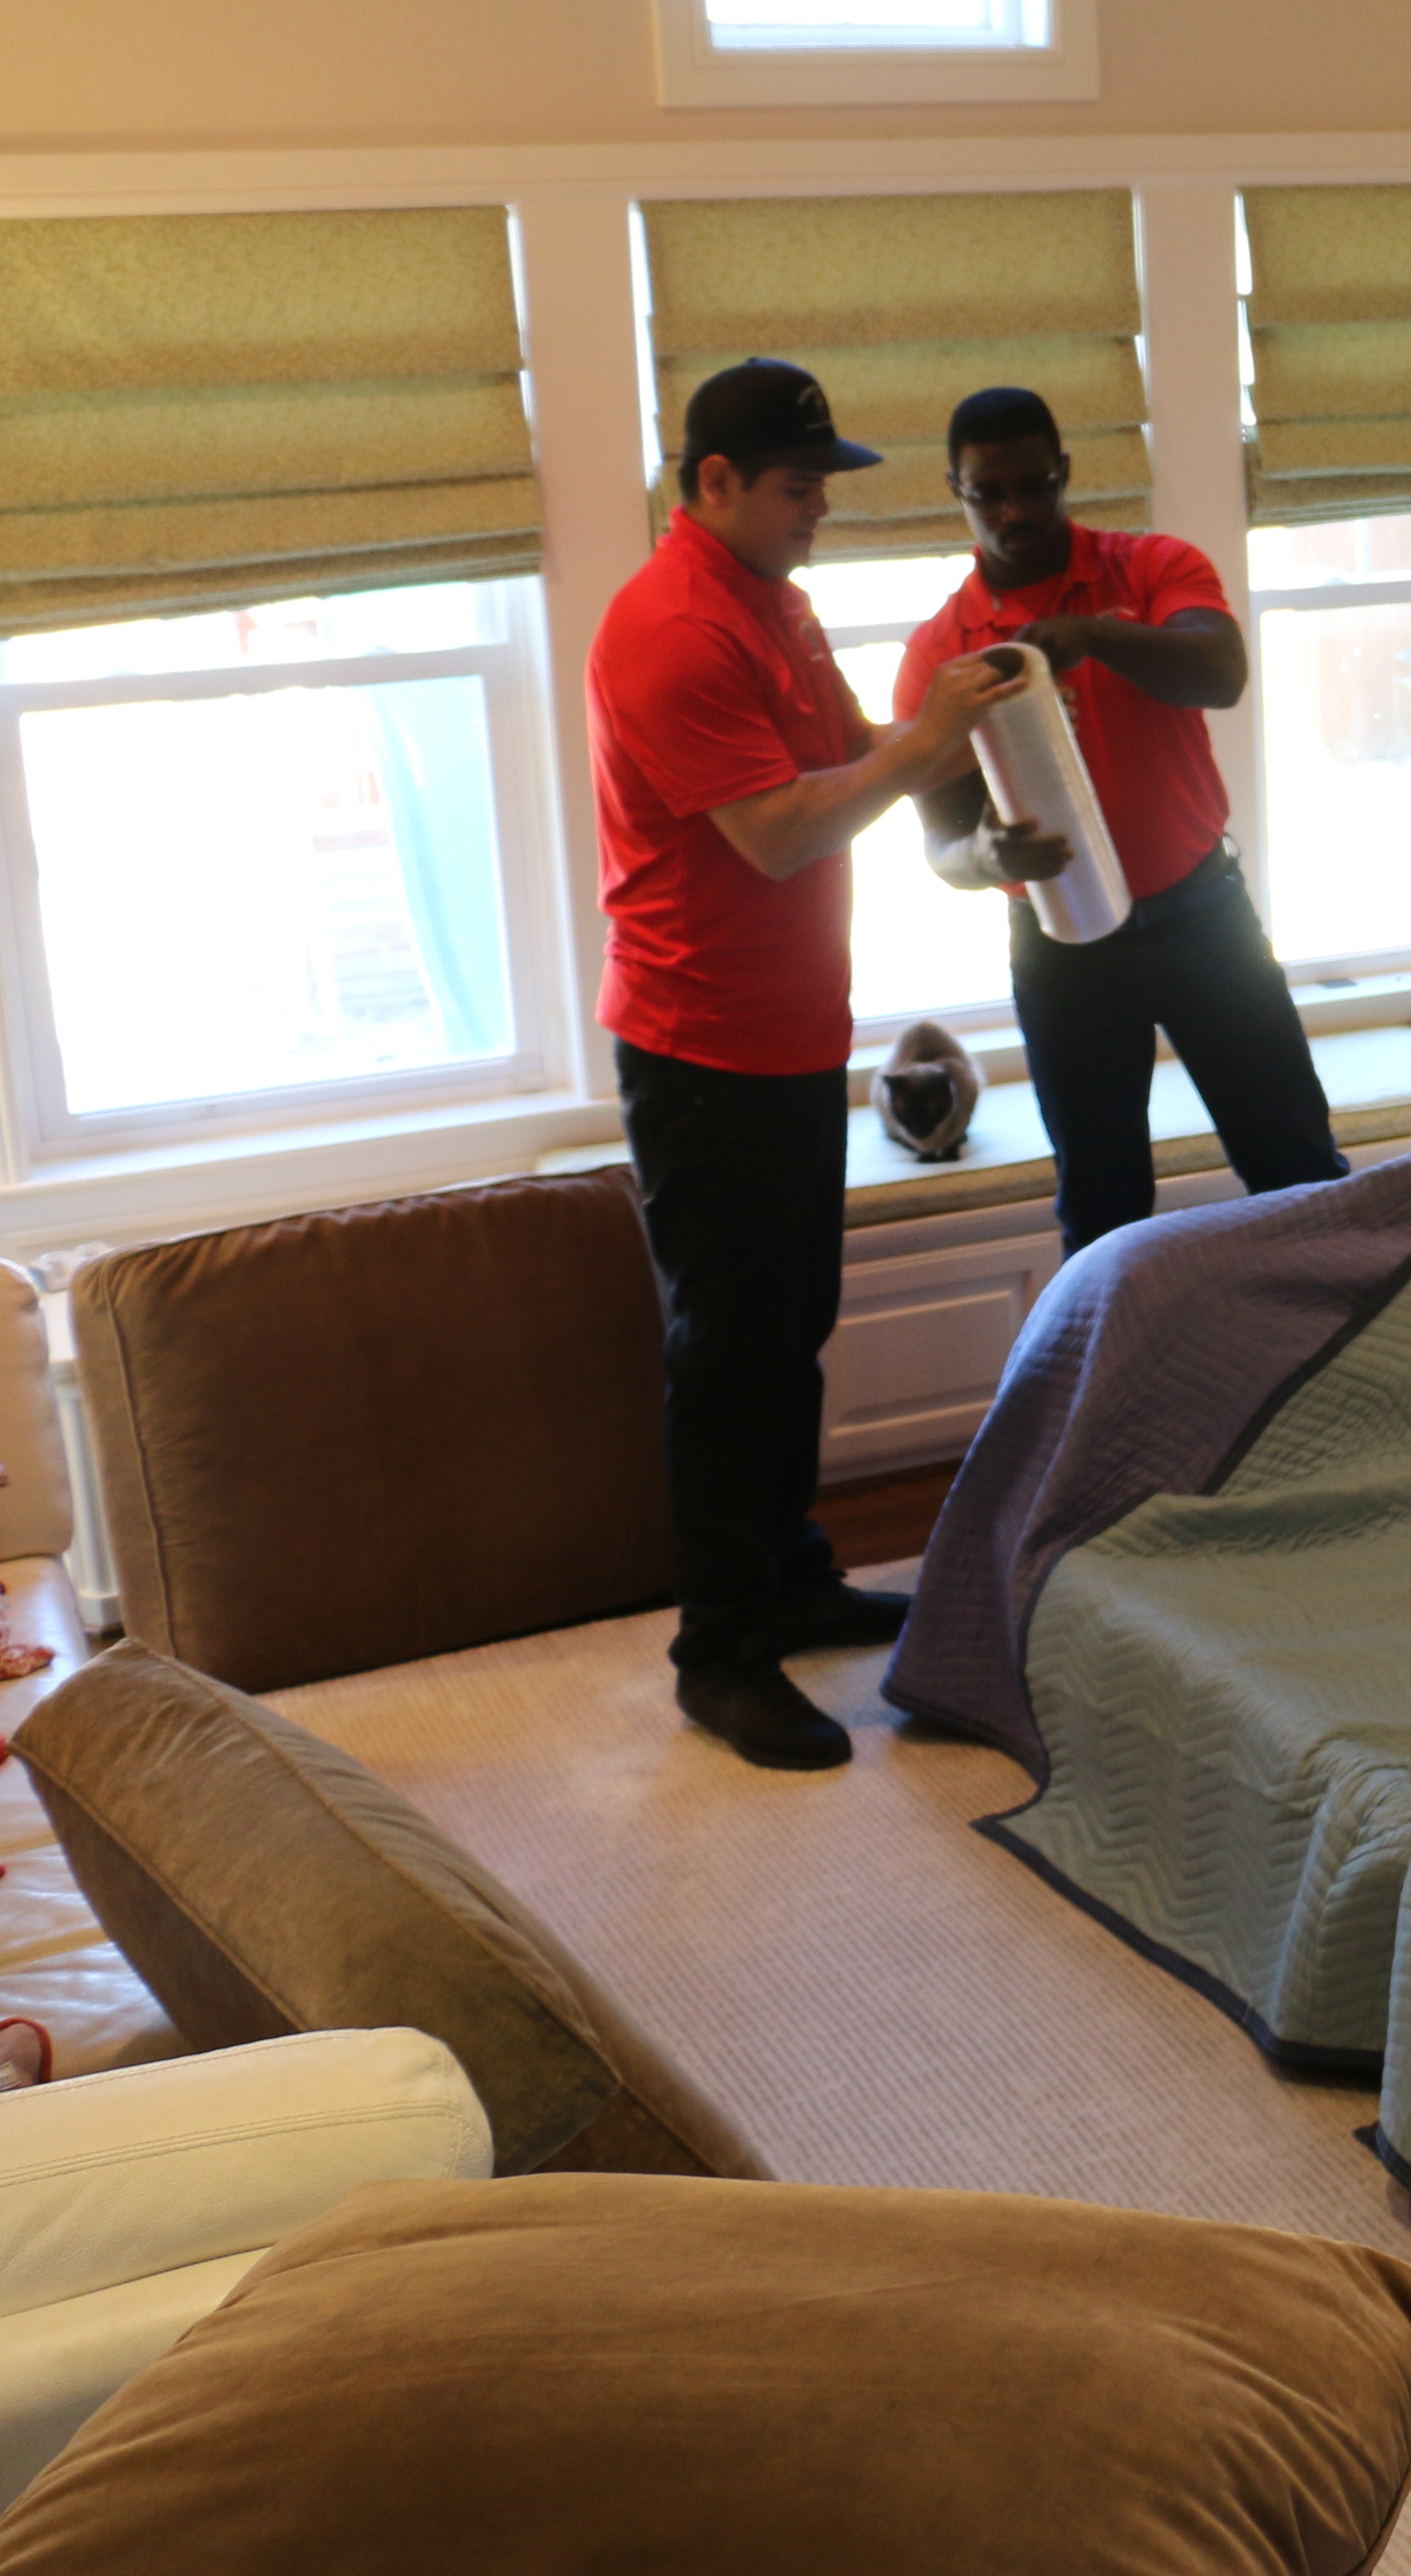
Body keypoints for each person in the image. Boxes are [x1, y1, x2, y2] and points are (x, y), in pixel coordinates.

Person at [589, 358, 1031, 1774]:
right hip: (699, 1041)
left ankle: (787, 1570)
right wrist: (926, 741)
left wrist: (968, 808)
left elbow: (849, 752)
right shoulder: (668, 628)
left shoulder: (768, 596)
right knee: (726, 1354)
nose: (817, 512)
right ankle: (719, 1648)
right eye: (797, 488)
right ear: (712, 482)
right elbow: (779, 829)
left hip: (790, 1032)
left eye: (824, 489)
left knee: (794, 1329)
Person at [904, 386, 1346, 1257]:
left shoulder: (1150, 568)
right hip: (1062, 948)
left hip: (1203, 917)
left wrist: (1093, 637)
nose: (1015, 510)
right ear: (956, 490)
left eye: (1035, 485)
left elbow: (1219, 672)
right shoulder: (940, 651)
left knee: (1297, 1170)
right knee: (1101, 1208)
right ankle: (1107, 1394)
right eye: (988, 492)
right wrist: (991, 856)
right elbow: (940, 845)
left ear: (1065, 473)